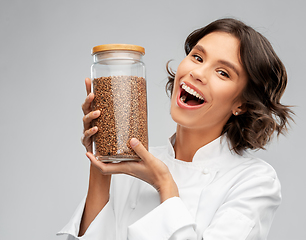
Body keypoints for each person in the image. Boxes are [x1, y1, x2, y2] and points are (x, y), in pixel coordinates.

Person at [58, 18, 293, 240]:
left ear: (242, 104)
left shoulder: (254, 180)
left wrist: (164, 184)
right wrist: (102, 161)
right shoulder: (132, 162)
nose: (198, 73)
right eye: (198, 57)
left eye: (223, 73)